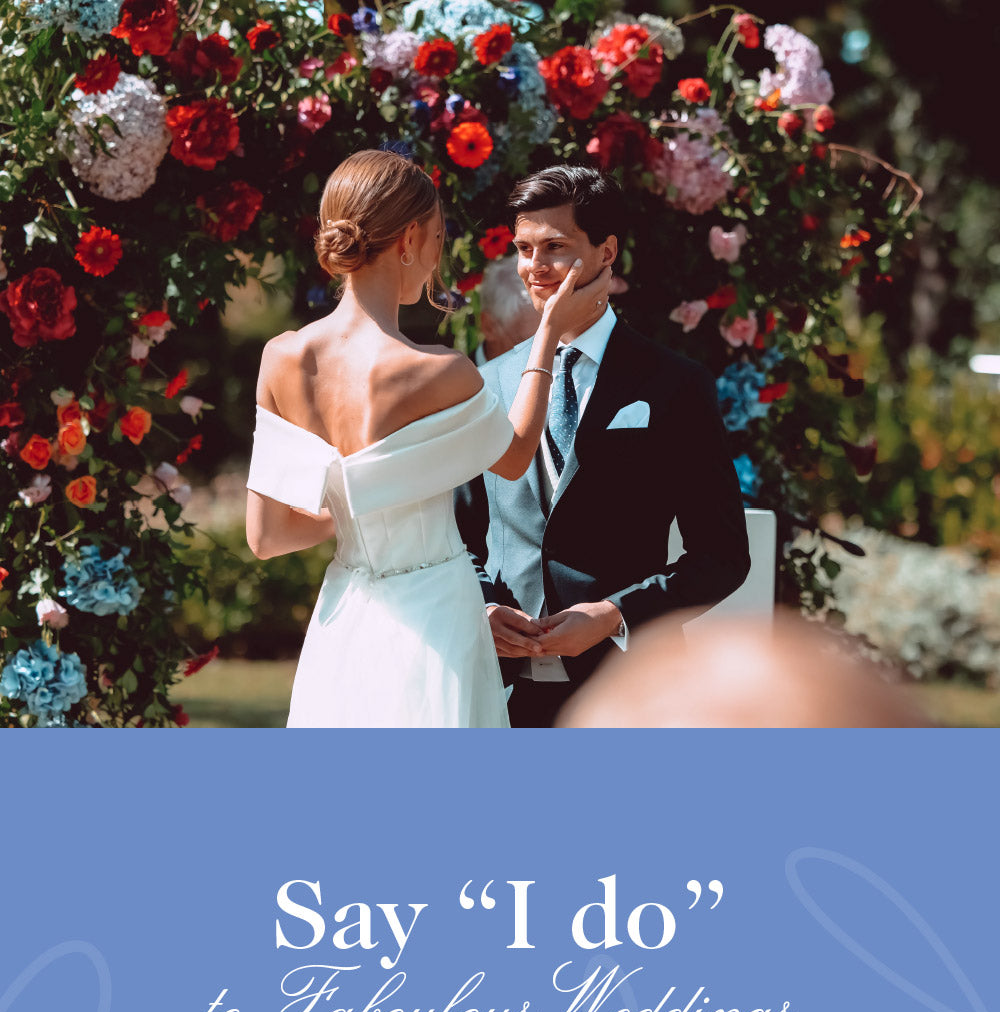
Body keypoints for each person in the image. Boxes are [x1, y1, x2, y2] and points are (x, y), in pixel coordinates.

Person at [245, 150, 611, 728]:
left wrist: (357, 503)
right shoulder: (440, 371)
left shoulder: (281, 358)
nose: (438, 256)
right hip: (438, 614)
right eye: (439, 238)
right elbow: (516, 457)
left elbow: (267, 535)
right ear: (410, 239)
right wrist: (548, 334)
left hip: (344, 617)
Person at [455, 166, 752, 727]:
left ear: (605, 250)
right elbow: (456, 537)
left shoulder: (674, 384)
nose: (535, 267)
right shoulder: (488, 383)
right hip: (495, 689)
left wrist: (616, 614)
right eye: (523, 248)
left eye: (556, 247)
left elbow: (722, 556)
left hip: (629, 691)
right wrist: (484, 607)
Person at [558, 609, 929, 728]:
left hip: (627, 663)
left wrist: (617, 613)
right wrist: (495, 611)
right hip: (507, 680)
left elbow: (721, 555)